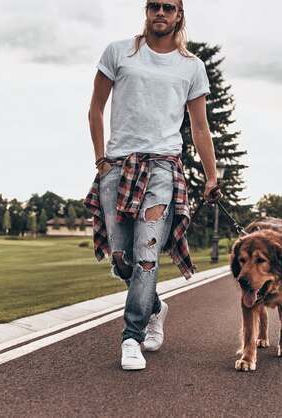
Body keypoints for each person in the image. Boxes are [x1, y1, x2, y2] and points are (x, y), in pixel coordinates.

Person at [83, 0, 220, 371]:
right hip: (118, 166)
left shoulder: (191, 67)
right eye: (155, 6)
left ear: (179, 16)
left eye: (169, 7)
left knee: (147, 253)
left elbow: (200, 126)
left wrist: (211, 175)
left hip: (163, 168)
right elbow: (95, 108)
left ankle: (132, 337)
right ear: (147, 11)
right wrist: (101, 160)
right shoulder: (118, 53)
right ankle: (155, 305)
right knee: (122, 259)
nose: (161, 12)